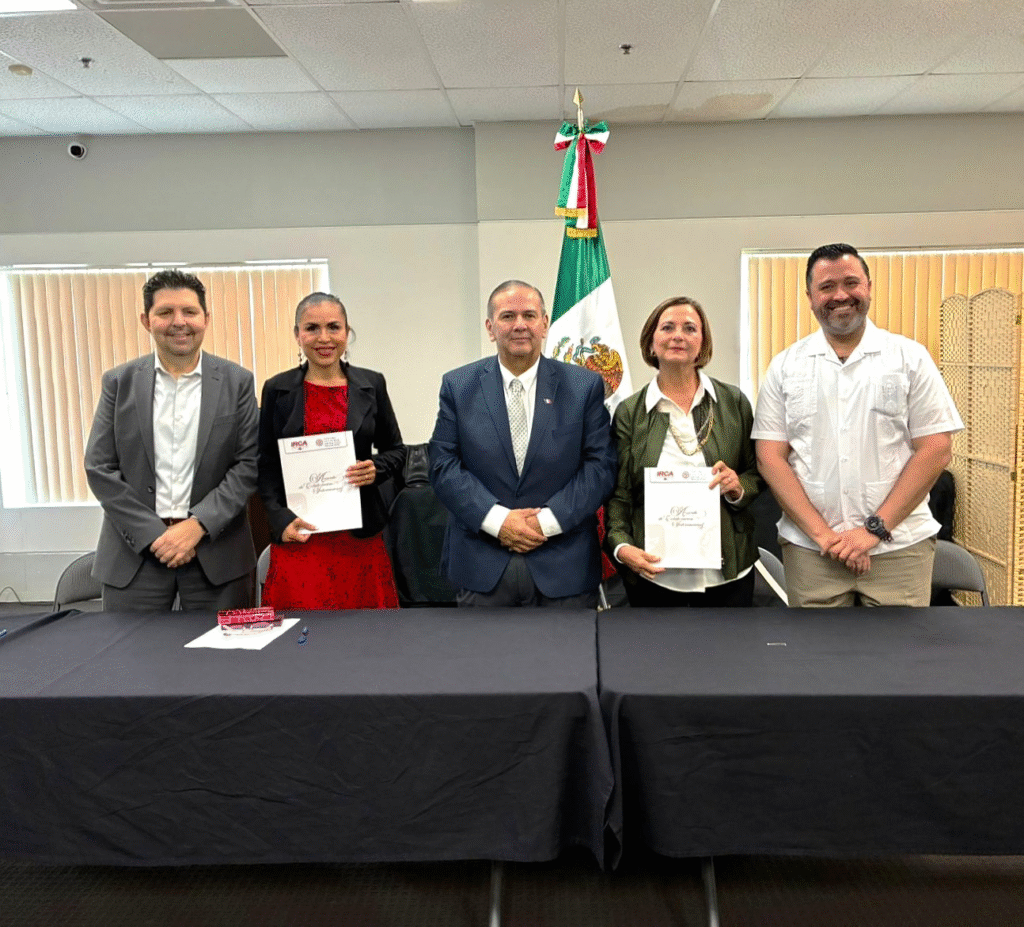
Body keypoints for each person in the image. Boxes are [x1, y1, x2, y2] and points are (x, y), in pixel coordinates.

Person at [752, 243, 964, 607]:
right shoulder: (785, 366)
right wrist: (825, 537)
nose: (840, 295)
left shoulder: (909, 358)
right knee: (816, 646)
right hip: (812, 553)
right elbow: (770, 457)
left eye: (851, 283)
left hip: (899, 549)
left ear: (868, 287)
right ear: (810, 297)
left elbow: (935, 449)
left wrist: (872, 531)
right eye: (827, 287)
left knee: (898, 646)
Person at [429, 279, 617, 608]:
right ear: (490, 328)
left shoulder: (583, 386)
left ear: (544, 324)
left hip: (564, 566)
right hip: (482, 565)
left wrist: (544, 523)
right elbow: (443, 465)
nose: (520, 325)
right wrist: (498, 521)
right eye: (507, 316)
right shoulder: (458, 386)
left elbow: (600, 467)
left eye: (529, 315)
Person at [85, 269, 258, 611]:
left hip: (217, 554)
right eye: (165, 312)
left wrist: (198, 525)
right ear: (146, 321)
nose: (179, 322)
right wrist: (153, 534)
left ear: (206, 318)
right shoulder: (118, 382)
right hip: (135, 556)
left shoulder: (237, 381)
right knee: (130, 648)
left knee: (220, 648)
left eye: (189, 311)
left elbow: (248, 464)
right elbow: (99, 467)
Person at [606, 297, 764, 607]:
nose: (678, 335)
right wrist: (622, 546)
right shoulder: (629, 413)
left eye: (690, 328)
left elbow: (757, 473)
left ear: (703, 343)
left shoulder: (733, 402)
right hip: (655, 575)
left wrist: (738, 487)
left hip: (728, 572)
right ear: (651, 343)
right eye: (667, 327)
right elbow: (619, 494)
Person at [257, 292, 404, 610]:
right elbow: (266, 464)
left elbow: (396, 451)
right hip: (300, 536)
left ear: (347, 332)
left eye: (333, 327)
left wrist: (375, 468)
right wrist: (280, 520)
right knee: (301, 634)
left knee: (365, 633)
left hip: (358, 539)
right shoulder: (277, 389)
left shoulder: (372, 384)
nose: (324, 338)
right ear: (298, 335)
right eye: (312, 328)